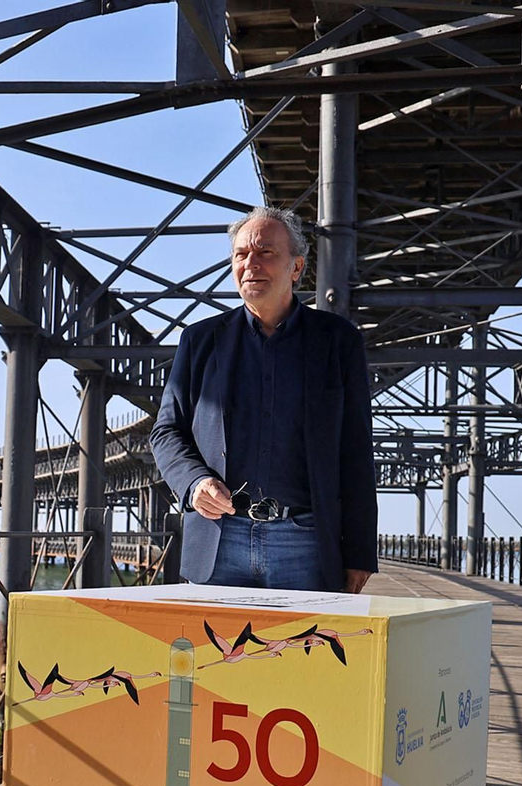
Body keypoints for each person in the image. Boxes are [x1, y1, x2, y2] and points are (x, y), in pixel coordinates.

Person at [149, 206, 377, 593]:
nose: (250, 263)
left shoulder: (339, 341)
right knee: (212, 655)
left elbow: (355, 449)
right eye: (241, 254)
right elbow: (166, 431)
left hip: (305, 543)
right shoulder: (199, 340)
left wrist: (359, 552)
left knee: (302, 654)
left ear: (297, 267)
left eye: (266, 252)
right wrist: (195, 482)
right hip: (218, 543)